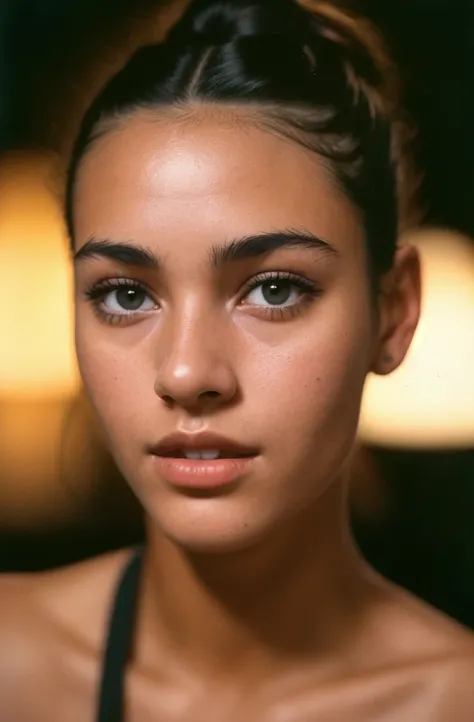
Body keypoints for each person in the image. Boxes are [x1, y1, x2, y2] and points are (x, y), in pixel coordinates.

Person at [1, 1, 474, 720]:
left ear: (395, 311)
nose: (187, 374)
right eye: (125, 294)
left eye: (274, 289)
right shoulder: (15, 662)